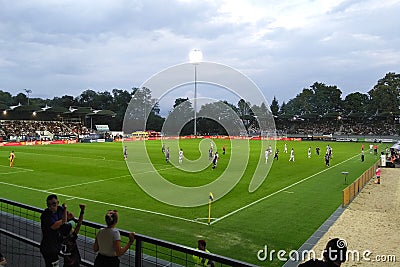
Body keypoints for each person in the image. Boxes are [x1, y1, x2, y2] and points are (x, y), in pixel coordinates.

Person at [40, 194, 74, 267]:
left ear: (58, 203)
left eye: (54, 204)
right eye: (49, 204)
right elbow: (55, 225)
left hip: (56, 245)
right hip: (48, 247)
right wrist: (66, 214)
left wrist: (68, 215)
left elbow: (70, 216)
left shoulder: (60, 209)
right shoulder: (45, 215)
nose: (51, 206)